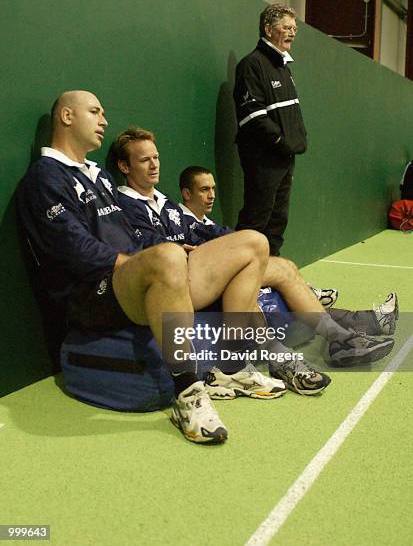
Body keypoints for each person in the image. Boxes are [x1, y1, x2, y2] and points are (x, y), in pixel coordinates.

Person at [17, 90, 281, 446]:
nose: (104, 121)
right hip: (93, 292)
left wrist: (171, 256)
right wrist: (148, 261)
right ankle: (188, 395)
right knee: (167, 256)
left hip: (137, 277)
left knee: (253, 243)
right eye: (95, 112)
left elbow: (128, 235)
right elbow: (70, 247)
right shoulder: (45, 177)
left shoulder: (98, 175)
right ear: (66, 117)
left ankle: (230, 368)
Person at [109, 127, 395, 395]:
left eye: (156, 157)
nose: (154, 164)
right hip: (175, 281)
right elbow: (144, 250)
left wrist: (228, 247)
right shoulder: (124, 205)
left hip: (200, 268)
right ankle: (264, 355)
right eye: (144, 160)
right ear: (125, 167)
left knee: (283, 268)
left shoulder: (166, 203)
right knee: (253, 246)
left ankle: (338, 339)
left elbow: (208, 232)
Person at [179, 165, 399, 338]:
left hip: (234, 279)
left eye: (213, 189)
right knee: (287, 286)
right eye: (204, 189)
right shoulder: (180, 221)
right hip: (214, 288)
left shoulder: (208, 222)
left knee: (288, 275)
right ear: (187, 194)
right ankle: (365, 321)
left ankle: (370, 320)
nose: (211, 195)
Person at [233, 3, 306, 256]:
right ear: (268, 29)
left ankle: (269, 282)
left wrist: (293, 145)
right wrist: (280, 142)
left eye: (294, 28)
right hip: (264, 158)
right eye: (286, 27)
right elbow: (253, 115)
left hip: (284, 159)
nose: (292, 32)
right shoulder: (251, 65)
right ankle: (237, 280)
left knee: (277, 223)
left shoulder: (284, 68)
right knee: (256, 221)